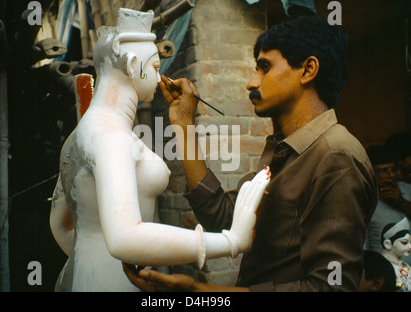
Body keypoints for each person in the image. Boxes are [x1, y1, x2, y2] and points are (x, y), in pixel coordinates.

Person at [124, 16, 378, 292]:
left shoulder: (336, 156)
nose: (251, 82)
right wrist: (184, 123)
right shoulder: (285, 148)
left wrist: (200, 292)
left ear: (308, 70)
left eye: (264, 68)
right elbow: (221, 216)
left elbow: (331, 288)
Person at [49, 8, 270, 292]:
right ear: (132, 66)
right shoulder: (112, 137)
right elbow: (124, 238)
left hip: (86, 276)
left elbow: (60, 225)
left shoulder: (79, 135)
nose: (159, 78)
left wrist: (91, 260)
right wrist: (231, 241)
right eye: (155, 68)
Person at [364, 144, 411, 265]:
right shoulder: (365, 200)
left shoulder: (408, 190)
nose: (391, 176)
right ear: (371, 172)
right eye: (383, 171)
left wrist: (401, 202)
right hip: (388, 275)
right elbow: (363, 247)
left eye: (393, 169)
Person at [380, 218, 411, 291]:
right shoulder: (381, 266)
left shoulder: (407, 267)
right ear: (387, 244)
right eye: (404, 242)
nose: (410, 246)